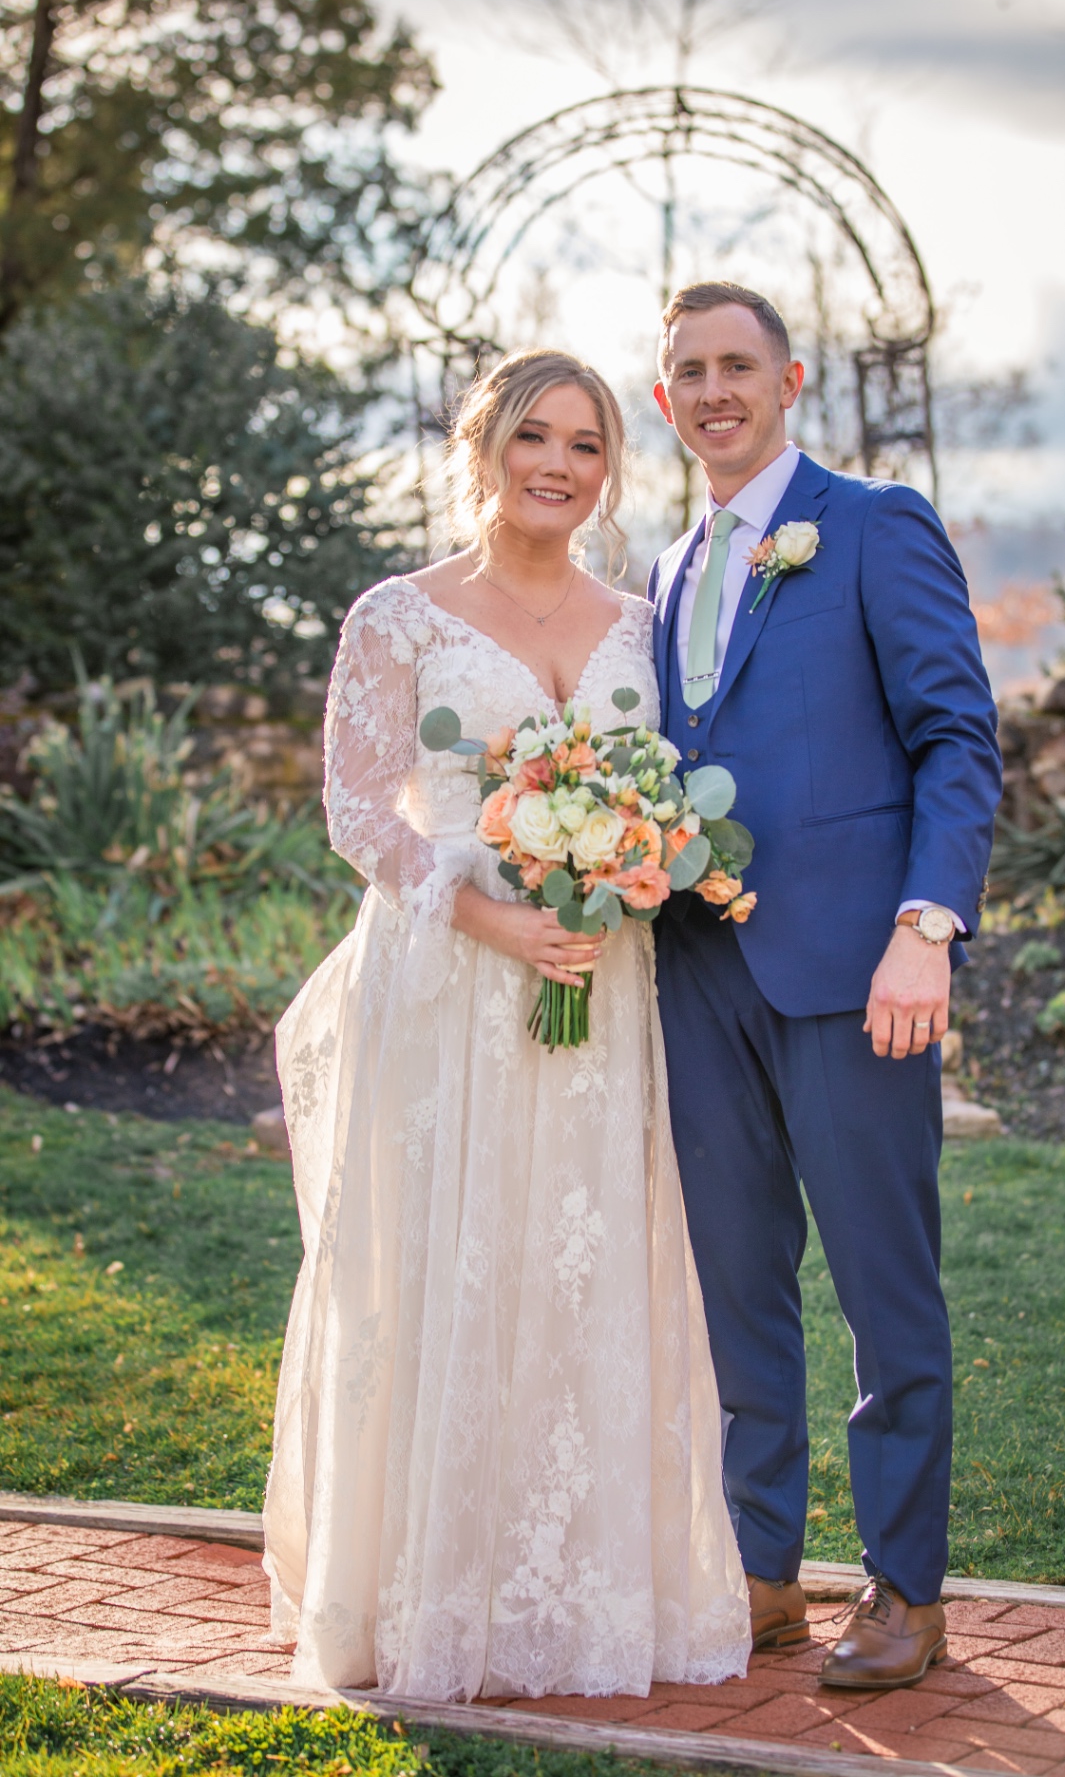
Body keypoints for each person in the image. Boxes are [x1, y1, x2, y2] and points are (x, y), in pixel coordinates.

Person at [261, 347, 751, 1702]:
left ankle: (580, 1597)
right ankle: (423, 1594)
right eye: (533, 436)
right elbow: (360, 809)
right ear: (482, 447)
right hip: (447, 994)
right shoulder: (398, 617)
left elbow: (673, 794)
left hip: (602, 985)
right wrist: (491, 921)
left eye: (586, 446)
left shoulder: (642, 620)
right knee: (439, 1268)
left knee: (586, 1265)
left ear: (608, 470)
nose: (557, 465)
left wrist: (638, 863)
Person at [648, 282, 1003, 1689]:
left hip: (859, 975)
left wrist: (928, 925)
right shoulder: (669, 569)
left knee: (882, 1287)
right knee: (737, 1287)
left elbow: (956, 736)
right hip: (694, 972)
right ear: (665, 399)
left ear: (790, 380)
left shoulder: (872, 526)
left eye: (739, 365)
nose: (716, 389)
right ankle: (763, 1571)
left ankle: (906, 1588)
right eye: (690, 372)